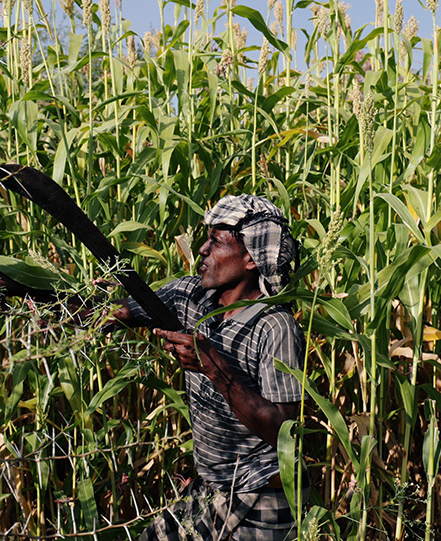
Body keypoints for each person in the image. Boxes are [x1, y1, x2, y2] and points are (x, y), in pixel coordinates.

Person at [114, 194, 306, 541]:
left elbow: (283, 433)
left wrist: (213, 367)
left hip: (262, 498)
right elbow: (107, 313)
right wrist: (16, 284)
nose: (202, 250)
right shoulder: (190, 298)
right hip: (210, 488)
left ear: (250, 258)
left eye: (216, 242)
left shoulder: (274, 326)